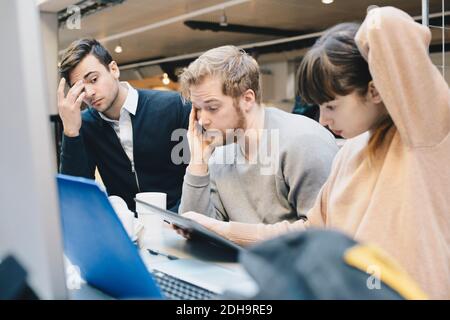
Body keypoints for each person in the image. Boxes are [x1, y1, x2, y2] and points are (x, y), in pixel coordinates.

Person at [179, 7, 450, 299]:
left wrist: (332, 46)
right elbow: (309, 234)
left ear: (375, 91)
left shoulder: (423, 134)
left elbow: (386, 24)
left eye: (331, 106)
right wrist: (220, 230)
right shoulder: (350, 154)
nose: (322, 120)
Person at [177, 45, 338, 226]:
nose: (202, 120)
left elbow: (322, 235)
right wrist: (197, 163)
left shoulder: (303, 142)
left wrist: (231, 234)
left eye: (212, 107)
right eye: (197, 109)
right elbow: (195, 229)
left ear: (247, 100)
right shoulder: (220, 151)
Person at [58, 39, 190, 211]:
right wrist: (70, 132)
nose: (89, 93)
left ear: (113, 69)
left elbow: (197, 172)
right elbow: (77, 195)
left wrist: (176, 221)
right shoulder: (84, 125)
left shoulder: (174, 106)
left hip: (181, 225)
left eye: (94, 79)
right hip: (127, 229)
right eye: (80, 88)